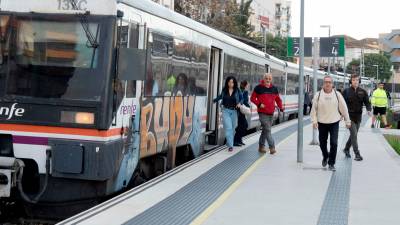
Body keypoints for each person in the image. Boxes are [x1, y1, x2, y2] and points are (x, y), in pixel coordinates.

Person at [310, 76, 351, 171]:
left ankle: (331, 163)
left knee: (334, 143)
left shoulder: (337, 95)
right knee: (322, 143)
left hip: (334, 122)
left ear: (332, 84)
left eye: (329, 82)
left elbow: (344, 108)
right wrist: (314, 121)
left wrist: (347, 121)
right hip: (322, 122)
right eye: (326, 82)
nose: (327, 84)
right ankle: (325, 156)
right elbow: (313, 110)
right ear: (323, 84)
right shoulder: (318, 95)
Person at [251, 73, 283, 154]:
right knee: (268, 130)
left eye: (269, 78)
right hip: (262, 113)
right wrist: (259, 104)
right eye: (266, 78)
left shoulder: (274, 88)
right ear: (263, 79)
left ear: (271, 79)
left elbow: (278, 100)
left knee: (265, 130)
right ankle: (272, 147)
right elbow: (252, 98)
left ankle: (261, 146)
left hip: (271, 113)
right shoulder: (258, 88)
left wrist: (281, 107)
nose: (268, 80)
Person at [342, 74, 372, 161]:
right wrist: (341, 114)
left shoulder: (363, 91)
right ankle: (357, 154)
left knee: (353, 135)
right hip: (349, 116)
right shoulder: (346, 91)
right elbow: (341, 104)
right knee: (354, 134)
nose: (355, 81)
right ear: (350, 81)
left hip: (358, 117)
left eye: (357, 80)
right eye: (354, 80)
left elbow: (367, 102)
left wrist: (369, 110)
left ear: (359, 81)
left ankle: (346, 149)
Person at [214, 76, 243, 152]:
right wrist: (214, 100)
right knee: (228, 128)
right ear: (227, 82)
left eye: (232, 82)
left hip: (234, 111)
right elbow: (221, 96)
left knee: (233, 129)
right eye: (229, 82)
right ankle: (231, 146)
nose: (231, 84)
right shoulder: (224, 90)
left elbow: (242, 98)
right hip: (225, 110)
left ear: (234, 83)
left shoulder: (237, 90)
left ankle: (228, 142)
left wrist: (239, 103)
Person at [234, 80, 250, 146]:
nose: (248, 86)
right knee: (244, 125)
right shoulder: (245, 92)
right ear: (246, 85)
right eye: (247, 85)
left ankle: (239, 140)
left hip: (238, 110)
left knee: (240, 126)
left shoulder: (238, 91)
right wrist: (248, 107)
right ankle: (235, 141)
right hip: (240, 111)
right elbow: (245, 101)